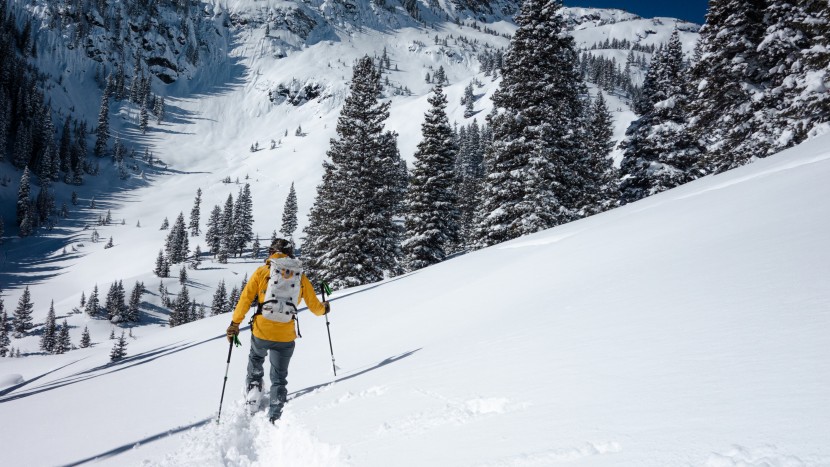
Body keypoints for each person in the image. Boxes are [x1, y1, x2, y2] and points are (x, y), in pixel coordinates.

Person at [226, 238, 330, 423]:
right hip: (285, 334)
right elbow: (315, 308)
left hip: (261, 330)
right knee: (279, 376)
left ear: (271, 253)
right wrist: (324, 308)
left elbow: (244, 300)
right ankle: (276, 413)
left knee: (256, 358)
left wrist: (235, 324)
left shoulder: (262, 272)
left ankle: (254, 391)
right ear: (290, 253)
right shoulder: (300, 276)